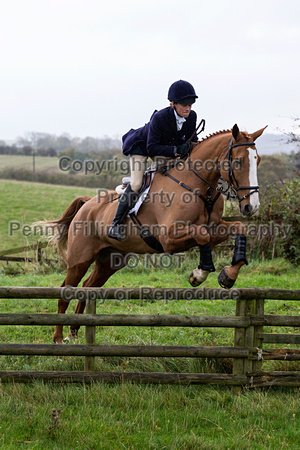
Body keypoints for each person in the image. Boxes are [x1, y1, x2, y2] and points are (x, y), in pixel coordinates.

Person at [108, 79, 198, 241]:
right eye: (184, 104)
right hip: (142, 147)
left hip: (163, 148)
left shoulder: (192, 117)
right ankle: (115, 224)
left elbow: (193, 140)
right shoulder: (160, 117)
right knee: (136, 183)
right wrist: (177, 150)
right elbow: (152, 148)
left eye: (190, 103)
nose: (188, 107)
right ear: (173, 104)